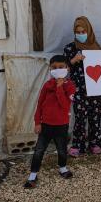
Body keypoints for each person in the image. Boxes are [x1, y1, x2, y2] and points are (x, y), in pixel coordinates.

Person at [24, 55, 76, 188]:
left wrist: (59, 87)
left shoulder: (70, 86)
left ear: (67, 68)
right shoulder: (47, 85)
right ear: (50, 69)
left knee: (62, 149)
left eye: (61, 67)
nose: (57, 69)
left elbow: (65, 105)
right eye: (54, 68)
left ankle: (63, 168)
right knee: (39, 150)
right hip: (46, 125)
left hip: (61, 125)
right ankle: (33, 174)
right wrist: (37, 122)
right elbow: (40, 104)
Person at [64, 16, 101, 157]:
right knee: (80, 119)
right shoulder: (69, 48)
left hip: (95, 89)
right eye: (78, 32)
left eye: (83, 31)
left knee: (95, 117)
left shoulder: (97, 48)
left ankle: (95, 144)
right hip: (79, 90)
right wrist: (74, 60)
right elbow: (64, 70)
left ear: (89, 31)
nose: (80, 34)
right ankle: (77, 145)